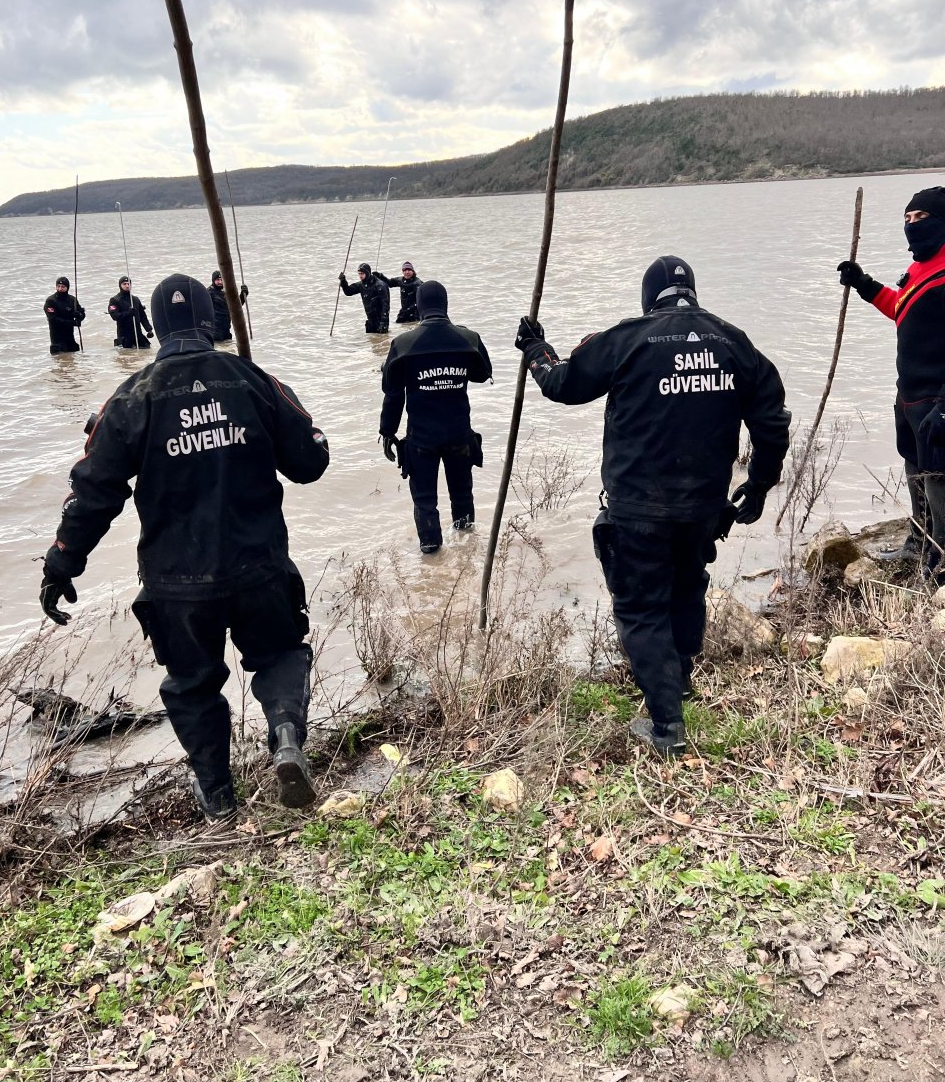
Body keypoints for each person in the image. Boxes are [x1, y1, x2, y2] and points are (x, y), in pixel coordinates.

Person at [39, 273, 330, 819]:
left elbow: (93, 493)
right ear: (209, 318)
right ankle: (286, 736)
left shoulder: (131, 398)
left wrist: (61, 563)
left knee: (193, 684)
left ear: (156, 325)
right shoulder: (252, 380)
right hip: (258, 564)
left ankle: (218, 795)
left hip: (177, 583)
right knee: (281, 654)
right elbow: (310, 463)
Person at [515, 255, 790, 758]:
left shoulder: (626, 339)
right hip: (705, 507)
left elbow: (561, 385)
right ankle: (678, 681)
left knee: (641, 609)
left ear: (650, 295)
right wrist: (760, 483)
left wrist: (535, 349)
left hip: (638, 508)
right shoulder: (735, 342)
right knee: (687, 588)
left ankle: (667, 724)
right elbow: (772, 421)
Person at [837, 186, 945, 579]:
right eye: (907, 219)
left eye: (922, 218)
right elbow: (903, 310)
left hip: (938, 397)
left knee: (939, 480)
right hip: (910, 394)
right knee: (915, 470)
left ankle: (940, 563)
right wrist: (865, 285)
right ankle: (917, 544)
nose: (913, 226)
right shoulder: (919, 270)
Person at [379, 280, 492, 552]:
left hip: (422, 439)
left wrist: (387, 431)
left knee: (425, 500)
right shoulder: (468, 338)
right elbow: (483, 373)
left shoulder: (403, 344)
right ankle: (466, 551)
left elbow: (393, 393)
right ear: (445, 304)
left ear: (419, 307)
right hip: (458, 434)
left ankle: (431, 553)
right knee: (462, 495)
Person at [339, 262, 390, 333]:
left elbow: (385, 304)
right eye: (359, 274)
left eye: (362, 274)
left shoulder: (380, 285)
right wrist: (343, 282)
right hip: (370, 321)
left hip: (381, 320)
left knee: (382, 341)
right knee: (371, 341)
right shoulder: (361, 285)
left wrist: (384, 321)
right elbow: (348, 292)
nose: (360, 276)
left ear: (368, 273)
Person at [107, 276, 153, 349]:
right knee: (127, 357)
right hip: (124, 336)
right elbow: (114, 316)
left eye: (129, 284)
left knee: (145, 353)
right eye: (124, 284)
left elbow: (142, 316)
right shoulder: (114, 300)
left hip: (138, 334)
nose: (127, 286)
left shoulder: (135, 300)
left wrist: (149, 329)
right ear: (120, 285)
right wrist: (128, 313)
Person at [44, 276, 85, 354]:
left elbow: (82, 313)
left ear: (67, 287)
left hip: (70, 340)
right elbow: (53, 319)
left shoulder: (72, 300)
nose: (60, 289)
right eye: (58, 286)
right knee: (61, 363)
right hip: (57, 341)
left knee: (74, 363)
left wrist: (79, 316)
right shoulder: (50, 301)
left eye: (63, 287)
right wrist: (72, 323)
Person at [207, 270, 249, 343]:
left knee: (229, 348)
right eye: (217, 280)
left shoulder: (227, 292)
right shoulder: (209, 293)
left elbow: (236, 307)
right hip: (215, 330)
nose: (220, 282)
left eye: (221, 280)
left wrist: (243, 294)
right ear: (213, 280)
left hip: (226, 329)